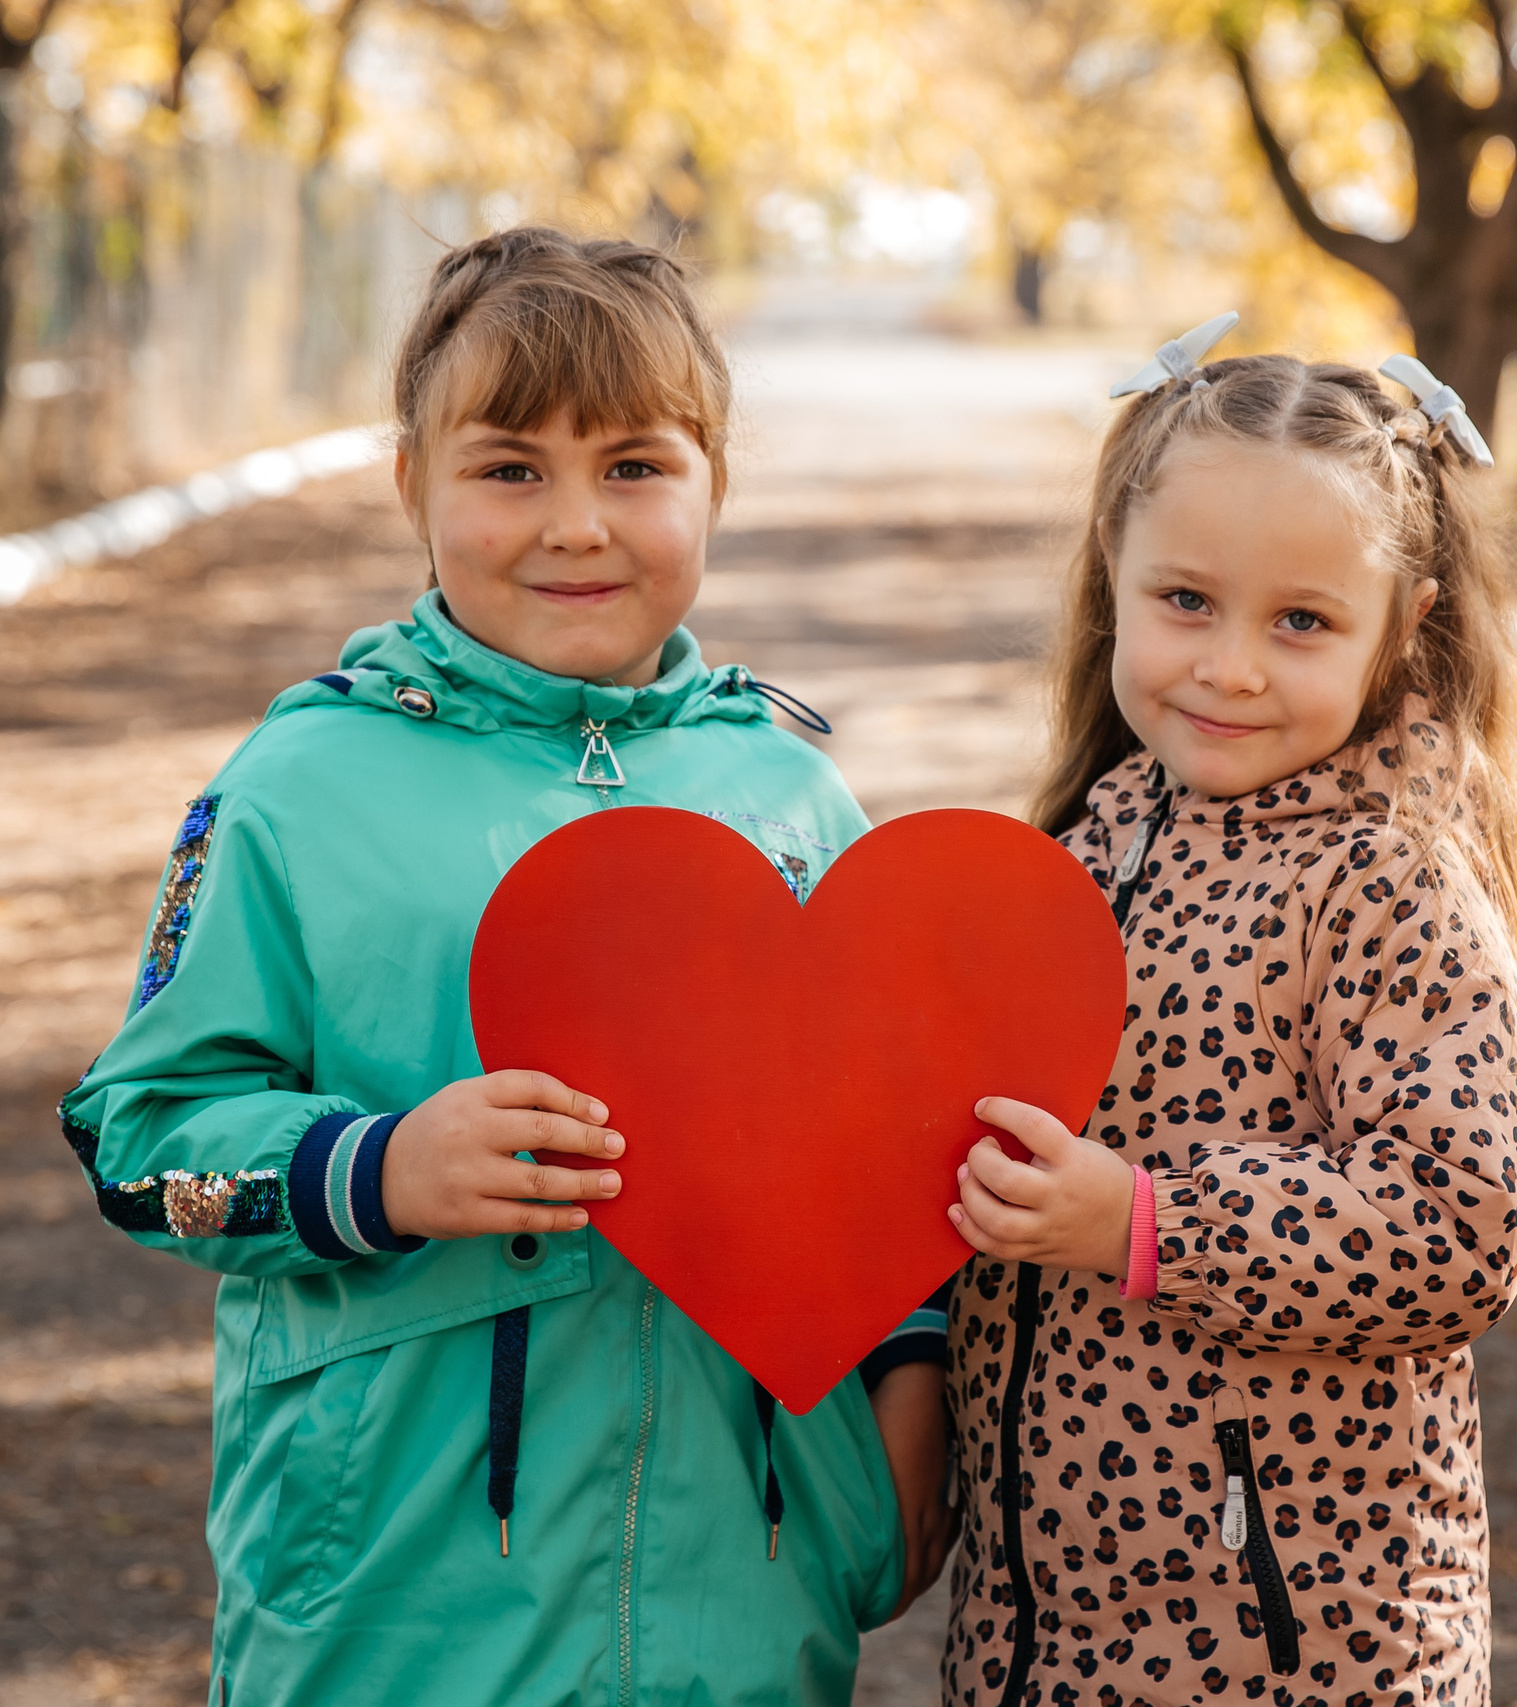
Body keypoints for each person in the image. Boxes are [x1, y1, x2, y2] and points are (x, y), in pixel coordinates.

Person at [59, 227, 949, 1704]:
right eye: (510, 467)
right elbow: (141, 1145)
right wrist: (379, 1167)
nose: (577, 525)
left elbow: (882, 1152)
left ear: (715, 478)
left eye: (636, 466)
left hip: (741, 1597)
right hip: (396, 1608)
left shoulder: (792, 799)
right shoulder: (299, 788)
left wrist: (905, 1383)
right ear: (414, 484)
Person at [939, 333, 1517, 1706]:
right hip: (1047, 1622)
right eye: (1186, 601)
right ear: (1114, 572)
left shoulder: (1386, 878)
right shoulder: (1085, 846)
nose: (1228, 667)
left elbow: (1462, 1224)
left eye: (1301, 622)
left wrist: (1144, 1222)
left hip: (1287, 1641)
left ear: (1407, 624)